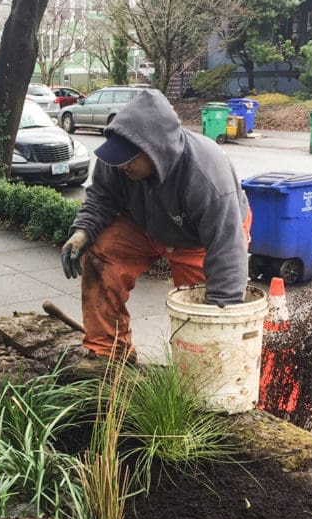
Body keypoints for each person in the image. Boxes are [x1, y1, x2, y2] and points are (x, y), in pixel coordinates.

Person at [60, 89, 251, 361]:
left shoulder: (208, 176)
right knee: (102, 253)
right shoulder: (116, 160)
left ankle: (203, 373)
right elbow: (102, 197)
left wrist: (220, 323)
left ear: (157, 150)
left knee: (203, 310)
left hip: (200, 241)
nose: (120, 165)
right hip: (144, 225)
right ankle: (108, 354)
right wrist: (82, 231)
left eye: (129, 159)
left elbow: (228, 255)